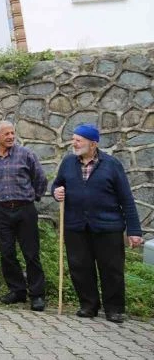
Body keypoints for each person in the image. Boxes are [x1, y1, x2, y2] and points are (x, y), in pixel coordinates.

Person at [52, 124, 143, 323]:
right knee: (80, 267)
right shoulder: (68, 163)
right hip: (76, 226)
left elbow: (126, 199)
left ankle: (115, 309)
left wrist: (134, 230)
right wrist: (56, 191)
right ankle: (88, 305)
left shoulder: (112, 164)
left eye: (78, 140)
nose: (73, 143)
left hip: (107, 227)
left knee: (111, 269)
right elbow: (58, 184)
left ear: (93, 144)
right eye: (73, 139)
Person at [0, 121, 48, 312]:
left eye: (12, 133)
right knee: (7, 253)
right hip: (1, 211)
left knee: (31, 253)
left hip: (25, 209)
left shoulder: (26, 154)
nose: (11, 136)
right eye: (6, 134)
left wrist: (33, 197)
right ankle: (17, 291)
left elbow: (41, 179)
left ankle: (37, 295)